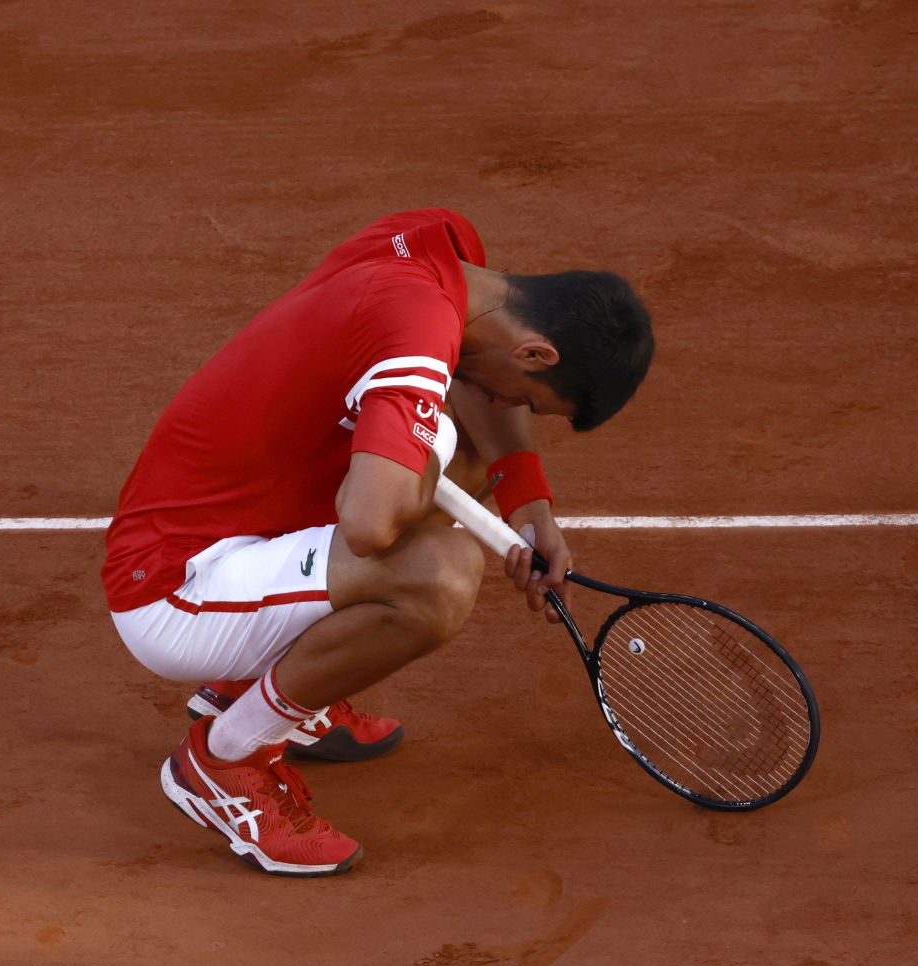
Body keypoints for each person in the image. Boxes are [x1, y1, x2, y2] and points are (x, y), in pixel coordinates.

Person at [102, 208, 653, 877]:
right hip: (176, 587)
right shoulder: (417, 334)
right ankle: (226, 758)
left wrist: (528, 508)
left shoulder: (438, 250)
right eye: (529, 401)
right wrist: (428, 455)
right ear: (535, 353)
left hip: (239, 516)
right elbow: (367, 525)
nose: (513, 409)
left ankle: (260, 680)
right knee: (440, 575)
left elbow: (469, 390)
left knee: (462, 450)